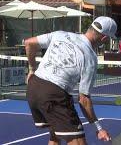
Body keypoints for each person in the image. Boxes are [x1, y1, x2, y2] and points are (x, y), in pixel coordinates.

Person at [25, 16, 115, 144]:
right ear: (104, 38)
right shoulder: (90, 58)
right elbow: (83, 100)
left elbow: (29, 43)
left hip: (33, 87)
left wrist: (32, 68)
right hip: (53, 94)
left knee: (55, 136)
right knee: (78, 142)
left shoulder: (60, 34)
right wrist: (99, 128)